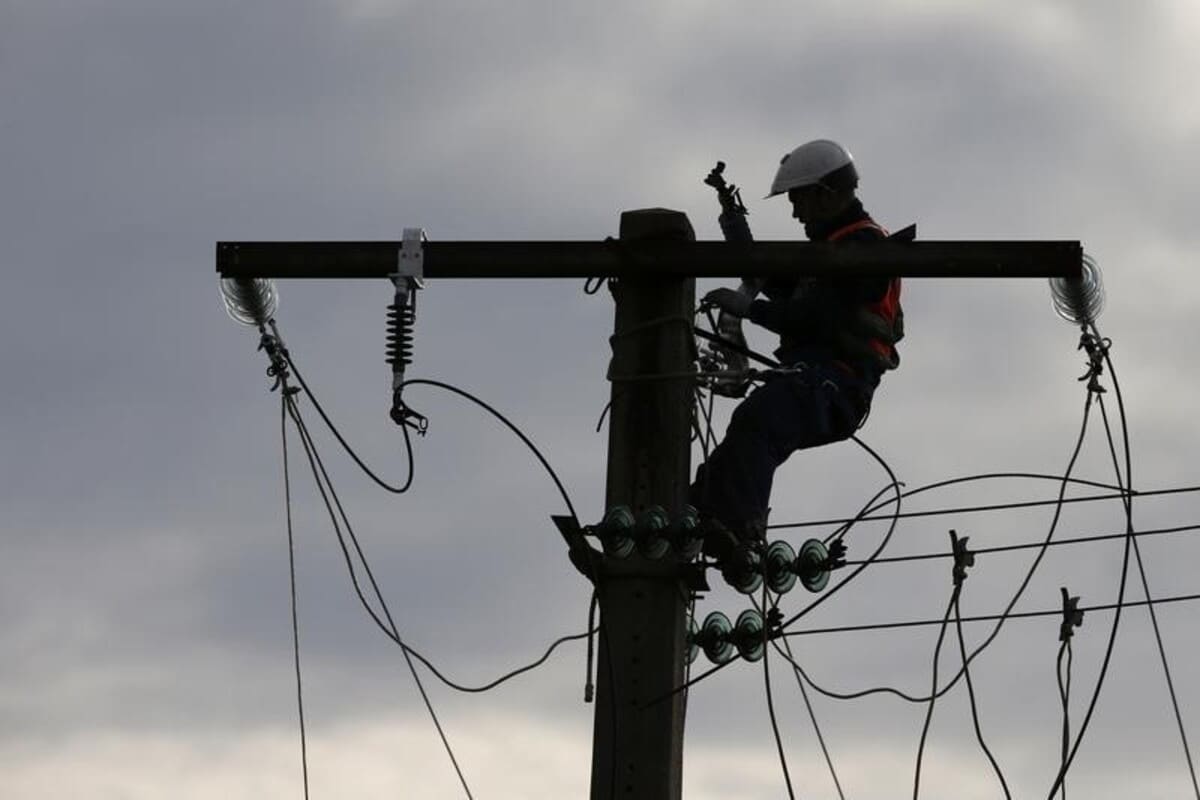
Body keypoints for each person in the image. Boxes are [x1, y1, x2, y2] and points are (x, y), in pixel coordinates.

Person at [691, 139, 904, 559]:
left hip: (837, 383)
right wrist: (734, 222)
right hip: (814, 378)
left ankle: (740, 531)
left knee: (760, 419)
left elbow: (816, 316)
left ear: (823, 195)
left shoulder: (865, 248)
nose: (794, 212)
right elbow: (773, 279)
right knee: (744, 437)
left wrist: (751, 310)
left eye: (797, 200)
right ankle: (693, 519)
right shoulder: (831, 250)